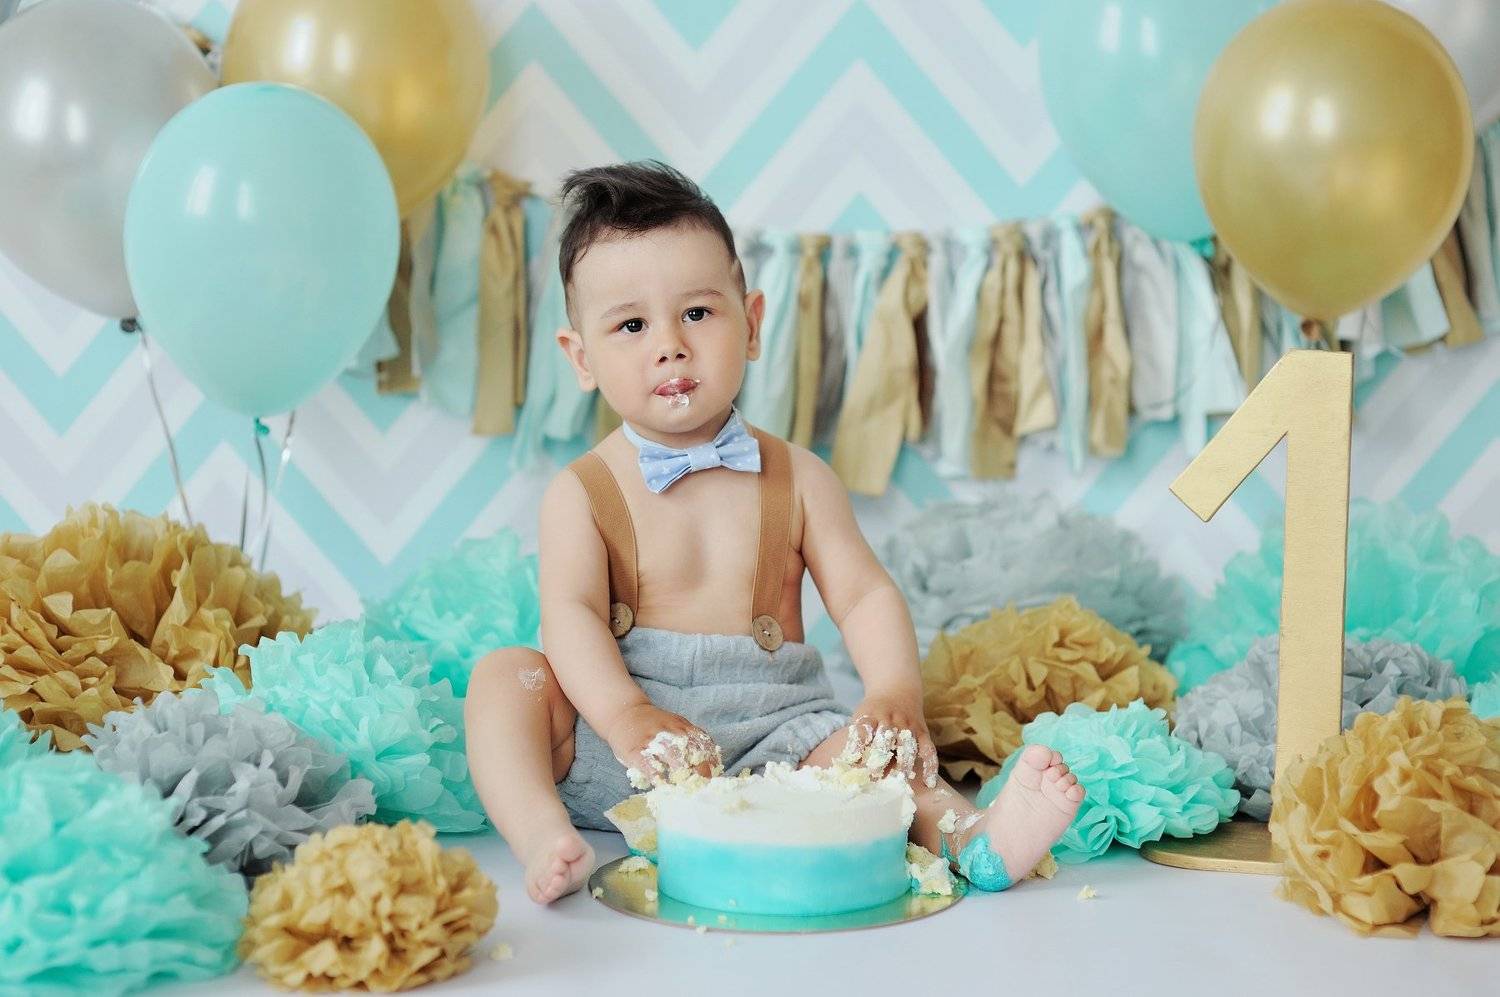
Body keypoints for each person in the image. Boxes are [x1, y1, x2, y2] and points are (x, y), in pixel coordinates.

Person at [464, 160, 1084, 905]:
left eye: (698, 313)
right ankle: (541, 832)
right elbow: (570, 616)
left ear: (752, 324)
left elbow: (863, 595)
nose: (670, 345)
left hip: (784, 743)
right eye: (631, 325)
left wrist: (893, 691)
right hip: (627, 748)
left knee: (880, 756)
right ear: (581, 358)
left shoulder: (800, 478)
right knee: (507, 677)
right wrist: (626, 716)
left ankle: (974, 838)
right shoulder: (581, 493)